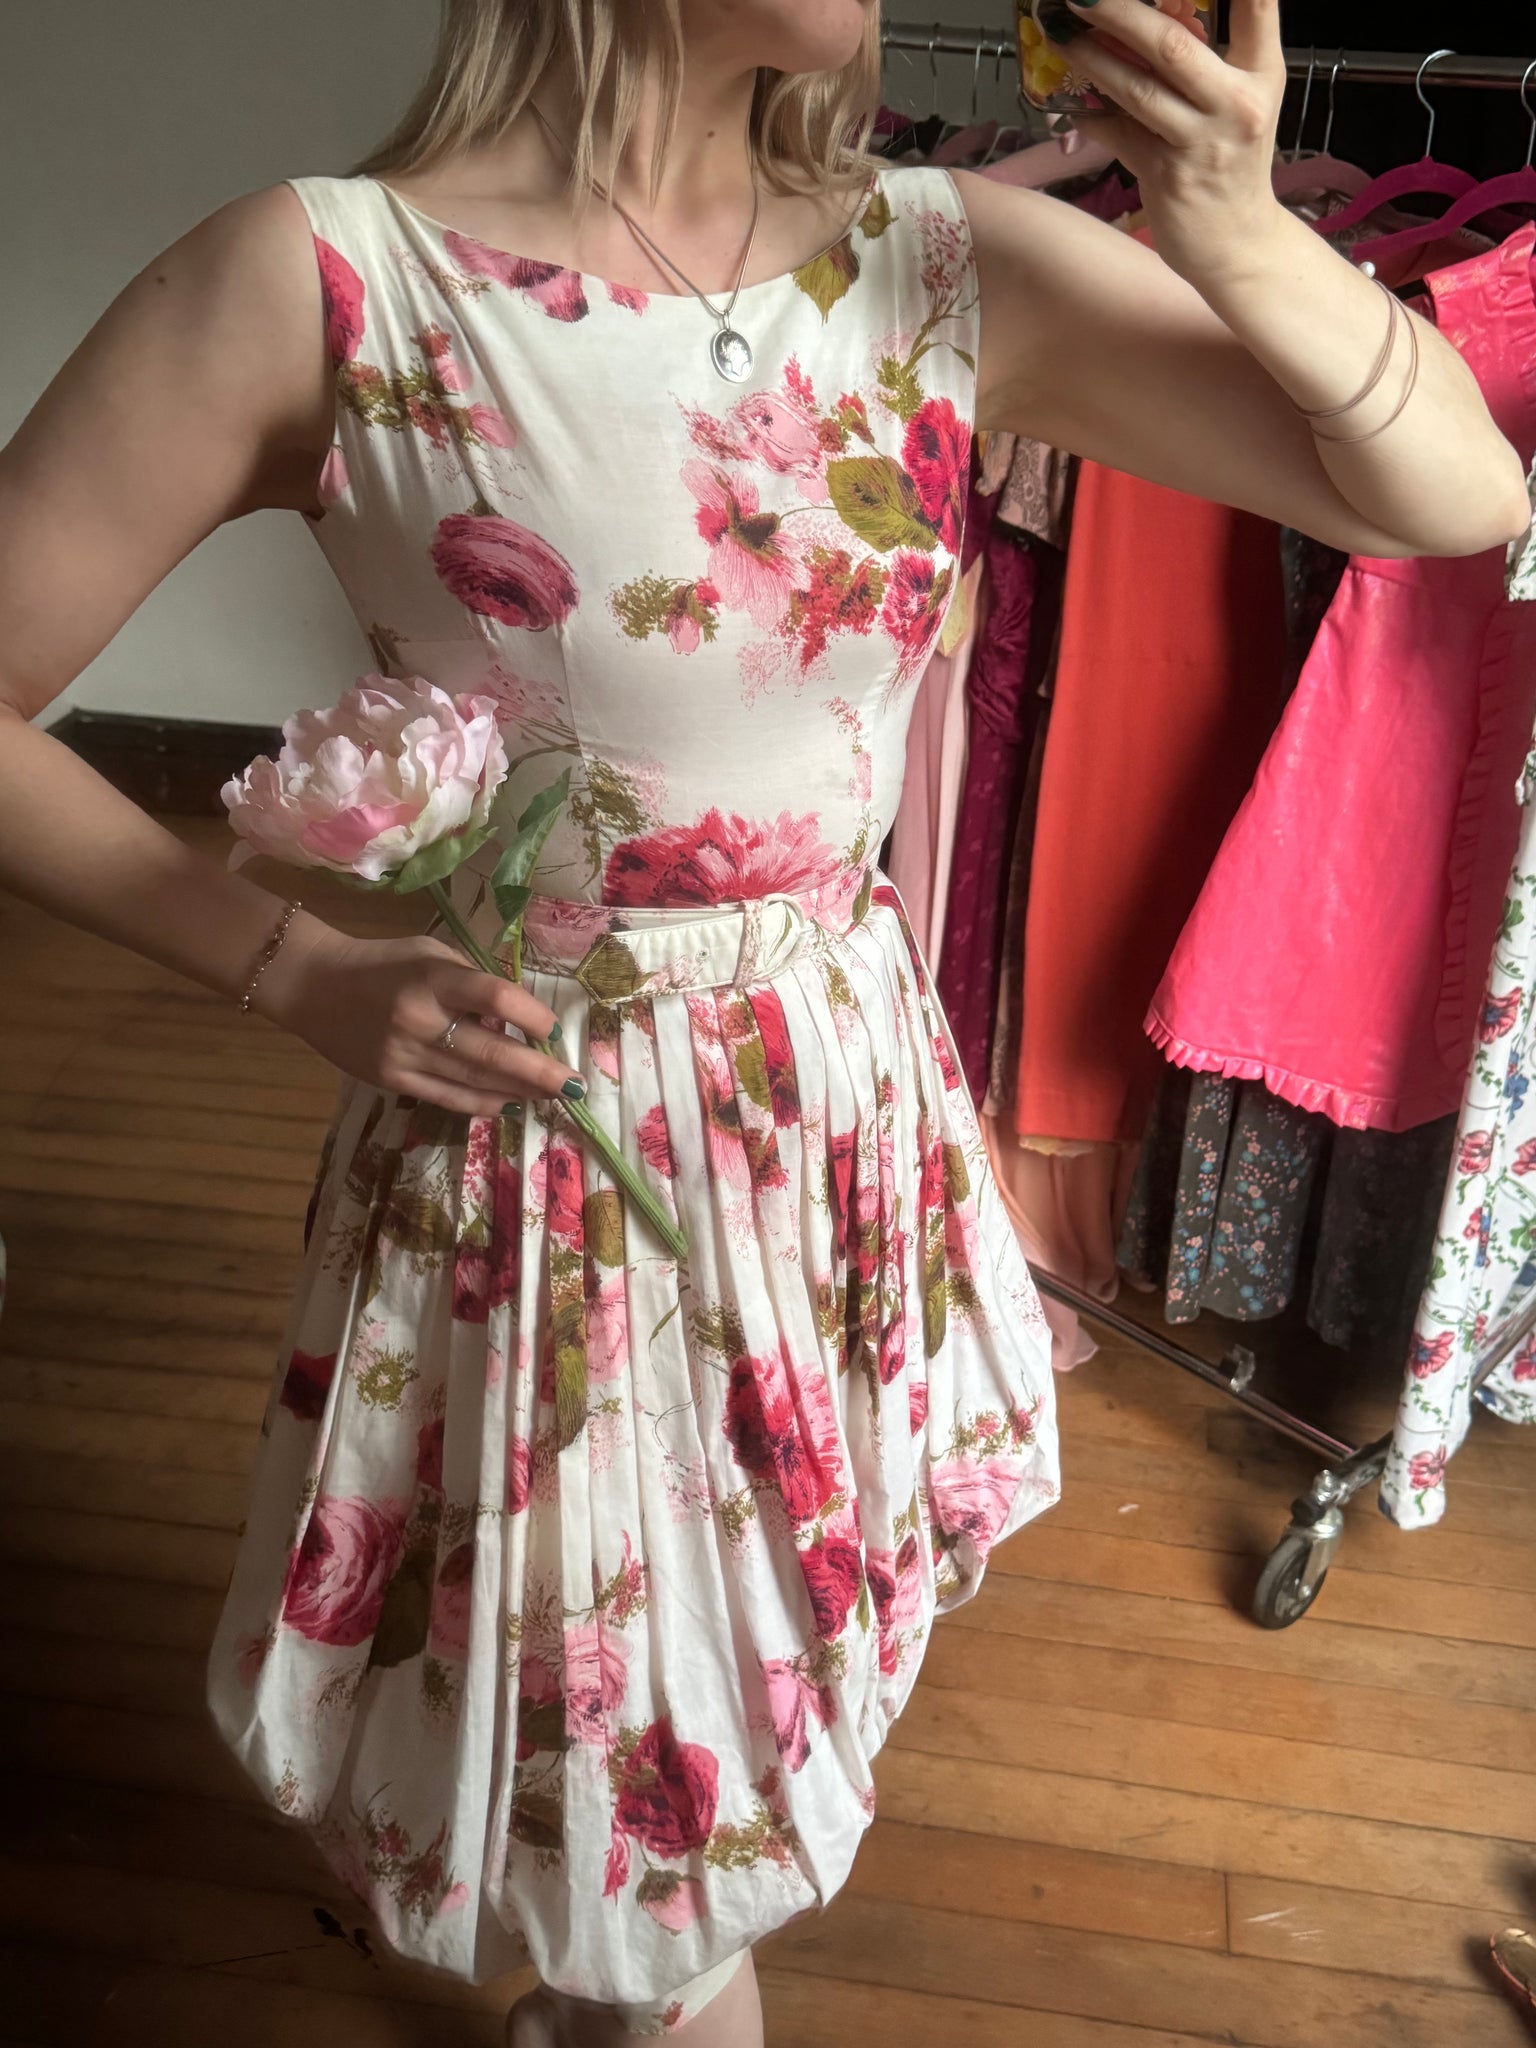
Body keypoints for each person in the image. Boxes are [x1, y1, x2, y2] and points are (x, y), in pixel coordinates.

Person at [0, 2, 1528, 2043]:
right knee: (661, 1810)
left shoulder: (946, 256)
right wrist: (289, 965)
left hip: (841, 1117)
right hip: (557, 1159)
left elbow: (1451, 498)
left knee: (748, 1697)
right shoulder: (329, 278)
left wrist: (1238, 224)